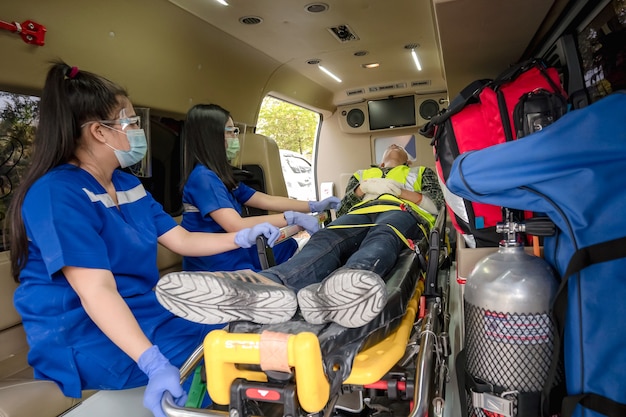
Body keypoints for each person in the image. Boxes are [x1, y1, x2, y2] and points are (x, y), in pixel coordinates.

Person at [7, 62, 282, 417]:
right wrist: (152, 362)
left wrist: (244, 236)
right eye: (132, 123)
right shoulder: (57, 194)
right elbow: (97, 292)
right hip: (80, 332)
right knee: (216, 350)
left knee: (235, 327)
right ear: (99, 132)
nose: (139, 132)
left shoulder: (127, 185)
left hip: (142, 309)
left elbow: (182, 239)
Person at [156, 144, 444, 328]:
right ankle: (272, 284)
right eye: (389, 147)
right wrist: (359, 191)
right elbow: (343, 210)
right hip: (360, 213)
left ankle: (350, 281)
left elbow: (436, 205)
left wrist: (394, 190)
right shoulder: (362, 175)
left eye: (399, 148)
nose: (394, 146)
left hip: (401, 210)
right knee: (324, 239)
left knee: (383, 235)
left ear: (406, 158)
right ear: (379, 160)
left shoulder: (420, 172)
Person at [180, 103, 340, 272]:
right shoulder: (203, 178)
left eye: (235, 131)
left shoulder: (221, 176)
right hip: (216, 264)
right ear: (211, 137)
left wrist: (313, 206)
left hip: (234, 255)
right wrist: (292, 218)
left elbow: (265, 200)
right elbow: (236, 225)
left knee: (296, 248)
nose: (235, 137)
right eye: (230, 131)